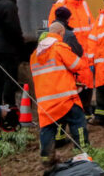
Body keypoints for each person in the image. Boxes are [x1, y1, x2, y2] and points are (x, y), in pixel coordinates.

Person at [30, 21, 92, 157]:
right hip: (65, 97)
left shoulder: (35, 55)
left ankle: (47, 158)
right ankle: (83, 151)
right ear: (61, 33)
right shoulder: (59, 47)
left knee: (47, 128)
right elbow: (77, 65)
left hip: (45, 102)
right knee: (78, 120)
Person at [47, 0, 95, 113]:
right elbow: (54, 30)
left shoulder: (84, 4)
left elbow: (91, 27)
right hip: (69, 52)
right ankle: (75, 111)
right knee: (72, 85)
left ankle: (86, 111)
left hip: (85, 53)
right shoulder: (60, 5)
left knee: (87, 82)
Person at [53, 6, 92, 114]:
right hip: (66, 73)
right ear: (67, 19)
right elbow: (78, 51)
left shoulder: (47, 32)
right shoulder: (68, 35)